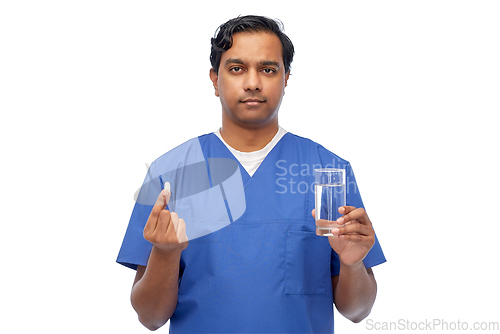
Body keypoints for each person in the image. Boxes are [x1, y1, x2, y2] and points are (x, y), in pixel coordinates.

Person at [117, 15, 386, 333]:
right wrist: (164, 252)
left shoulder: (328, 173)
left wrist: (352, 264)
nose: (253, 82)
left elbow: (357, 311)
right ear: (215, 80)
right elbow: (150, 317)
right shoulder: (171, 174)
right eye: (236, 68)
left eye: (268, 69)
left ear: (286, 78)